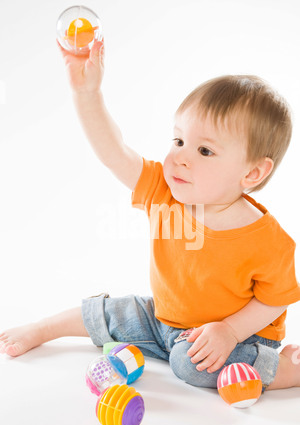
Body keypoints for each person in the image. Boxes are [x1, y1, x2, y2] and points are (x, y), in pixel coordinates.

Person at [1, 39, 300, 393]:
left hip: (232, 336)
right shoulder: (164, 189)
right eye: (178, 141)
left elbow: (275, 299)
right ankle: (44, 328)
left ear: (252, 174)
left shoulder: (265, 238)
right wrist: (87, 93)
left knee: (189, 364)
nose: (180, 158)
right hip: (163, 318)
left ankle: (283, 370)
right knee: (117, 313)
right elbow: (115, 153)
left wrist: (230, 330)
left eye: (204, 150)